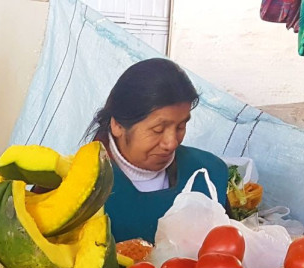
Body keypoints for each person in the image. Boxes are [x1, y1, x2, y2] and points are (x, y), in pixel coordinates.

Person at [88, 58, 230, 243]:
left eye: (180, 126)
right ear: (117, 126)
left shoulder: (207, 174)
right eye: (158, 130)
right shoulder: (75, 185)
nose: (171, 143)